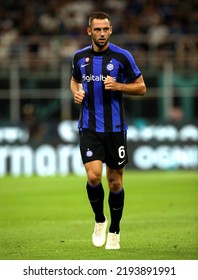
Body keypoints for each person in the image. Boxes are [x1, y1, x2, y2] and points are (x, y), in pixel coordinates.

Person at [70, 11, 146, 250]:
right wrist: (76, 91)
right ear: (89, 31)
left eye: (105, 29)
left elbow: (142, 87)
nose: (101, 34)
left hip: (115, 130)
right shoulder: (79, 57)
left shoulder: (122, 57)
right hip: (89, 127)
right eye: (97, 29)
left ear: (110, 30)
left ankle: (115, 229)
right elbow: (74, 80)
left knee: (115, 182)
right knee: (93, 176)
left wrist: (120, 86)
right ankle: (100, 220)